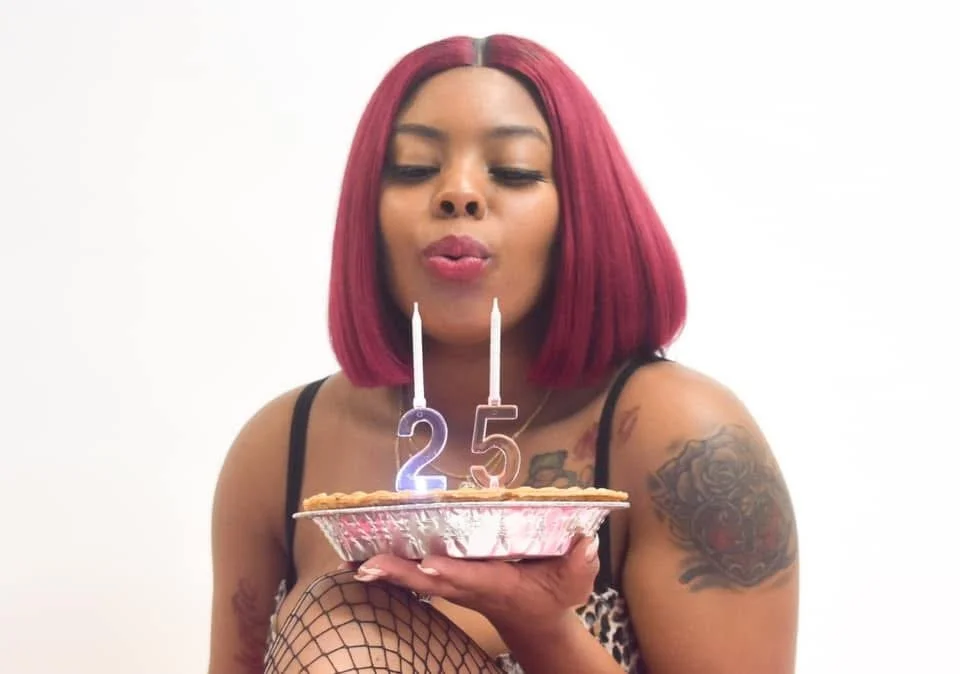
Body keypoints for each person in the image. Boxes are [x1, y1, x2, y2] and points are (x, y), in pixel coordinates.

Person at [207, 33, 799, 674]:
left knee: (348, 620)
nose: (458, 195)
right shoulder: (280, 448)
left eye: (513, 171)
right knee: (342, 618)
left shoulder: (681, 435)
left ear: (581, 210)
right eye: (412, 168)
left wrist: (543, 628)